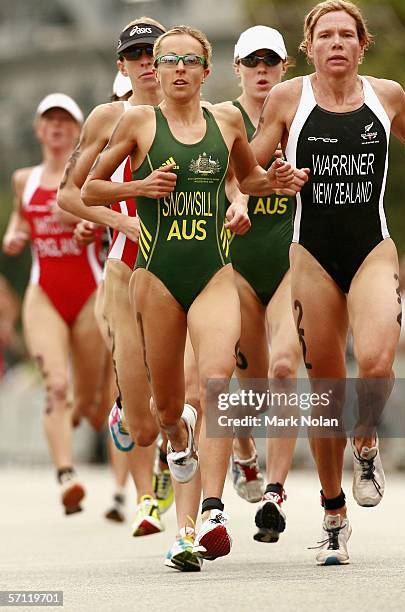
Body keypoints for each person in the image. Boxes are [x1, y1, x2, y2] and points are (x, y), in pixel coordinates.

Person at [81, 24, 307, 562]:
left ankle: (210, 510)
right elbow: (90, 188)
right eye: (169, 60)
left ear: (206, 72)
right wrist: (139, 187)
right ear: (155, 74)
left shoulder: (226, 120)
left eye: (189, 60)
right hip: (157, 278)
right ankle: (177, 448)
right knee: (166, 410)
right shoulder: (138, 121)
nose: (179, 68)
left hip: (214, 271)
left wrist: (274, 182)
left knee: (214, 383)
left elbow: (246, 179)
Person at [248, 0, 405, 565]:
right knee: (326, 389)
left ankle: (366, 438)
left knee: (379, 362)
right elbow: (250, 170)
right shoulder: (290, 99)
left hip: (371, 248)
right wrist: (269, 182)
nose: (336, 43)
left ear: (362, 45)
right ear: (308, 47)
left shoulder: (387, 96)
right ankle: (333, 513)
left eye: (346, 35)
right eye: (325, 35)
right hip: (310, 254)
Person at [58, 18, 202, 571]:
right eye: (136, 55)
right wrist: (119, 224)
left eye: (156, 53)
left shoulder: (197, 116)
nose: (148, 62)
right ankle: (129, 414)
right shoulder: (110, 117)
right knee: (143, 426)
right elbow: (71, 194)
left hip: (189, 270)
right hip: (126, 270)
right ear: (123, 66)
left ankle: (194, 516)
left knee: (191, 390)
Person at [2, 93, 111, 515]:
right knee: (56, 386)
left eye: (66, 120)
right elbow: (19, 215)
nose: (57, 127)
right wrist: (15, 234)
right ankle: (66, 474)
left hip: (89, 293)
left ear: (79, 130)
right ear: (38, 129)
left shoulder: (89, 177)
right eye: (49, 120)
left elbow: (108, 214)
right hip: (43, 292)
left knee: (87, 400)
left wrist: (90, 221)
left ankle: (88, 419)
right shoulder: (22, 179)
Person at [222, 26, 301, 543]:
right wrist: (239, 202)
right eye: (253, 62)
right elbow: (228, 177)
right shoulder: (222, 118)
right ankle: (243, 451)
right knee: (249, 392)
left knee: (283, 366)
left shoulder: (302, 117)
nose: (263, 70)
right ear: (237, 69)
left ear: (285, 67)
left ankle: (274, 492)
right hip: (239, 266)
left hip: (292, 262)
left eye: (271, 61)